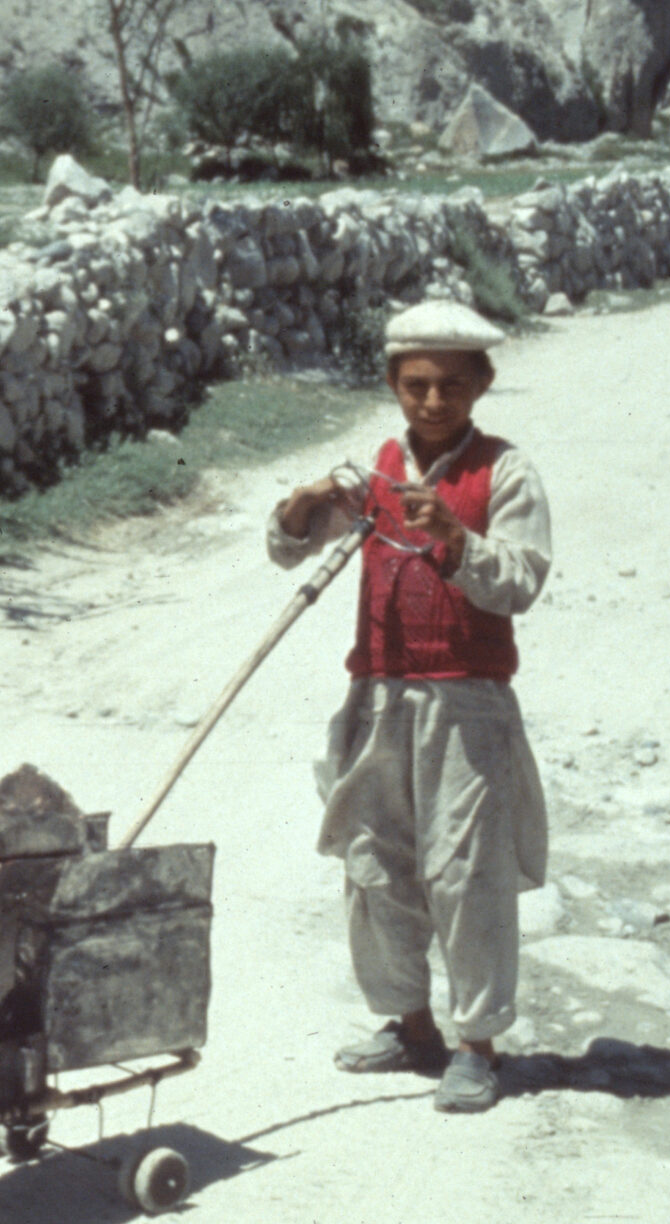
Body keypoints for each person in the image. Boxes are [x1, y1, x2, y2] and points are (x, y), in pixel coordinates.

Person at [265, 299, 553, 1114]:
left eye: (452, 385)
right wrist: (300, 502)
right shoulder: (376, 470)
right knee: (374, 861)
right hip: (379, 693)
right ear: (392, 383)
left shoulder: (505, 471)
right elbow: (288, 544)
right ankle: (410, 1023)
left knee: (465, 871)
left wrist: (456, 540)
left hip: (467, 702)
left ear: (482, 384)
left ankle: (477, 1043)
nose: (433, 400)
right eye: (417, 384)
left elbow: (523, 578)